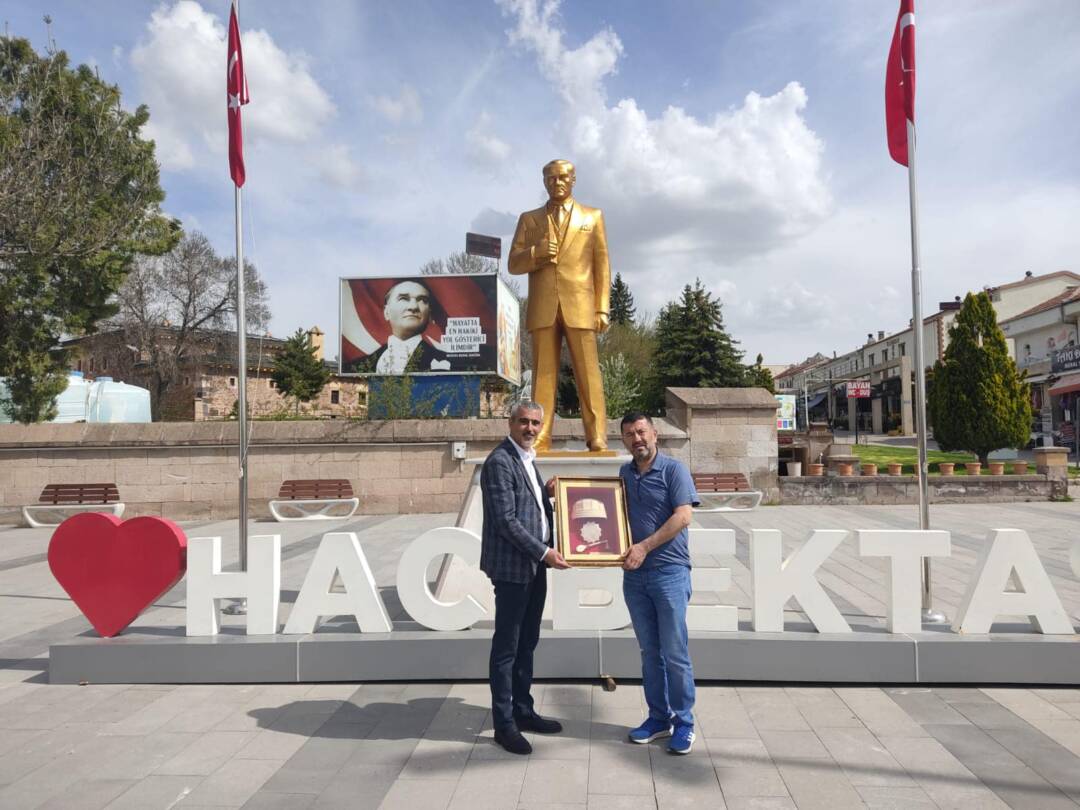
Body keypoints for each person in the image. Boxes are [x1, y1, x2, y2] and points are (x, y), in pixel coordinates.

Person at [480, 400, 571, 754]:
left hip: (534, 568)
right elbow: (506, 521)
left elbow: (526, 506)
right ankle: (504, 725)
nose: (529, 428)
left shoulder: (527, 458)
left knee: (527, 642)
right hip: (513, 569)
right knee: (507, 647)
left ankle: (523, 710)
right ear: (510, 422)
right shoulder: (500, 461)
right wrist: (545, 552)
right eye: (523, 422)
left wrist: (546, 494)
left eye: (535, 423)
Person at [508, 159, 610, 451]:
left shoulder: (592, 216)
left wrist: (602, 307)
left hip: (581, 305)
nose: (557, 183)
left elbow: (602, 265)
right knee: (543, 376)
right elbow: (513, 263)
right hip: (543, 307)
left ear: (573, 180)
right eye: (551, 178)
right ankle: (541, 435)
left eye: (563, 177)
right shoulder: (529, 219)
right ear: (544, 182)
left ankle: (597, 435)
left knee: (589, 374)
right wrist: (536, 252)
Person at [618, 412, 700, 755]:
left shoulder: (674, 470)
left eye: (641, 431)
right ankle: (658, 718)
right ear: (624, 440)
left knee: (675, 652)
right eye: (629, 434)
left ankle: (685, 723)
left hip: (669, 572)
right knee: (650, 653)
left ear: (655, 434)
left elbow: (684, 516)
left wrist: (644, 547)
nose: (637, 438)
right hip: (635, 577)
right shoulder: (624, 474)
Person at [351, 279, 450, 373]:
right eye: (403, 298)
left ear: (429, 314)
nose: (413, 307)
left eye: (422, 300)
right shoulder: (355, 367)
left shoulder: (449, 363)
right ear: (386, 312)